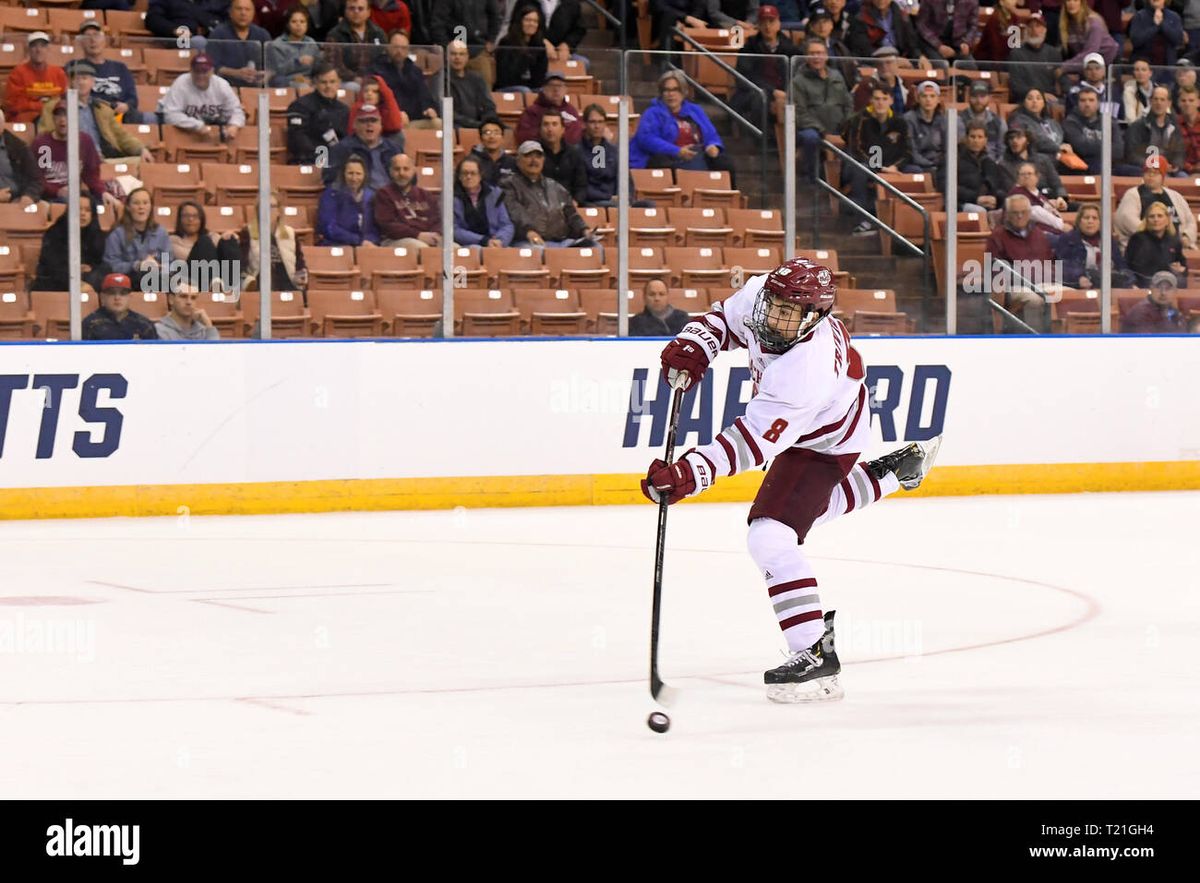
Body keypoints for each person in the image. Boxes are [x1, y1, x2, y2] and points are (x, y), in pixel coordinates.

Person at [640, 256, 942, 703]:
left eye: (786, 311)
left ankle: (814, 654)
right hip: (821, 418)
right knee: (798, 513)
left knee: (772, 537)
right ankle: (890, 473)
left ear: (814, 318)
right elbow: (725, 319)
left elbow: (749, 444)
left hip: (826, 442)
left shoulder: (806, 370)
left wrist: (688, 473)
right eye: (772, 303)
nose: (772, 315)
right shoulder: (767, 294)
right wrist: (696, 344)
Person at [629, 69, 735, 184]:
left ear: (684, 92)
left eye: (676, 89)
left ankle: (730, 198)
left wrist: (712, 145)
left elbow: (711, 133)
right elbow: (646, 139)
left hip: (696, 154)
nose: (671, 94)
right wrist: (677, 151)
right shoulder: (652, 113)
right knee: (663, 161)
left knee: (725, 162)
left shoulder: (695, 110)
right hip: (669, 156)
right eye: (666, 90)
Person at [38, 62, 154, 164]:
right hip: (73, 162)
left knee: (143, 161)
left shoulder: (102, 108)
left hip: (105, 159)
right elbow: (45, 137)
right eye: (77, 79)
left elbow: (121, 135)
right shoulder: (53, 107)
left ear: (93, 83)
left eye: (84, 78)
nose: (81, 83)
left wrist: (140, 149)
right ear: (69, 82)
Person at [841, 80, 910, 236]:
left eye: (884, 99)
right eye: (877, 99)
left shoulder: (900, 122)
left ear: (891, 100)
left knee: (917, 172)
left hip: (892, 166)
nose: (880, 103)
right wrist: (879, 167)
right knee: (862, 170)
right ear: (871, 100)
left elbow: (907, 151)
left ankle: (906, 224)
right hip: (861, 163)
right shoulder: (859, 119)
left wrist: (895, 167)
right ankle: (863, 221)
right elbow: (856, 148)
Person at [502, 140, 596, 247]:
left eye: (538, 156)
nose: (534, 160)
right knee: (536, 251)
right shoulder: (508, 185)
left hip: (561, 241)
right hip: (527, 241)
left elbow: (571, 214)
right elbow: (515, 212)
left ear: (543, 160)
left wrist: (585, 230)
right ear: (518, 160)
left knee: (595, 246)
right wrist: (529, 231)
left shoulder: (555, 186)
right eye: (528, 156)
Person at [30, 99, 117, 211]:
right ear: (53, 119)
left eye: (66, 116)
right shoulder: (43, 144)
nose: (62, 120)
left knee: (102, 206)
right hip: (49, 197)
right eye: (58, 116)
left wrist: (103, 193)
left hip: (77, 196)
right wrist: (56, 191)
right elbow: (36, 178)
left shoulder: (84, 141)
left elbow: (91, 175)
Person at [984, 194, 1054, 329]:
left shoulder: (1038, 233)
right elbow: (994, 269)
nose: (1020, 216)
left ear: (1029, 213)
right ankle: (1034, 341)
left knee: (1068, 295)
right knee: (1035, 300)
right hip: (1015, 285)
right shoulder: (997, 236)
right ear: (1007, 214)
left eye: (1023, 212)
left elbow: (1049, 260)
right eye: (1015, 213)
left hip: (1044, 283)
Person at [219, 194, 309, 292]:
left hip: (286, 280)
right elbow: (242, 260)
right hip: (260, 278)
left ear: (279, 211)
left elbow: (299, 261)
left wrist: (301, 276)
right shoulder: (249, 232)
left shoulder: (290, 233)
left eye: (271, 207)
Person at [792, 38, 853, 182]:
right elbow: (799, 112)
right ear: (806, 57)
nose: (816, 57)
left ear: (826, 55)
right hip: (811, 129)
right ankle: (812, 178)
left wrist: (848, 124)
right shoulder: (798, 81)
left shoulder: (837, 76)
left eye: (819, 53)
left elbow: (848, 103)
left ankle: (847, 180)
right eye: (812, 53)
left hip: (839, 127)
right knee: (810, 138)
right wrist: (823, 133)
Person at [731, 6, 798, 124]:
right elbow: (745, 77)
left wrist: (785, 92)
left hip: (785, 93)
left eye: (771, 22)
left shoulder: (791, 48)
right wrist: (772, 91)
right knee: (760, 99)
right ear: (758, 25)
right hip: (755, 92)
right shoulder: (749, 47)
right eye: (763, 22)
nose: (767, 26)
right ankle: (762, 140)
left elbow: (797, 75)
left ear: (778, 24)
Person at [1115, 154, 1196, 249]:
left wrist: (1186, 237)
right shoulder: (1133, 195)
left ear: (1163, 176)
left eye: (1155, 172)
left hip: (1177, 247)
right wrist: (1158, 238)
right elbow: (1128, 220)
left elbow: (1190, 221)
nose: (1151, 175)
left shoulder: (1176, 196)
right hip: (1144, 248)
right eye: (1148, 172)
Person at [160, 54, 246, 144]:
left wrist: (234, 126)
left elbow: (236, 111)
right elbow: (170, 115)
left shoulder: (222, 86)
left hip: (211, 123)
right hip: (186, 128)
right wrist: (197, 125)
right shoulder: (181, 84)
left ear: (212, 71)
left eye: (204, 72)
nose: (200, 76)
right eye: (197, 71)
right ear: (191, 71)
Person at [31, 198, 109, 293]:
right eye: (78, 209)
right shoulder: (54, 233)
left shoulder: (97, 235)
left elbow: (101, 264)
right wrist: (74, 271)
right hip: (56, 283)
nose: (82, 214)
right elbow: (51, 265)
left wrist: (90, 269)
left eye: (88, 210)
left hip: (88, 283)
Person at [1054, 202, 1134, 290]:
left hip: (1109, 283)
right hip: (1081, 285)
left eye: (1095, 218)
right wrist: (1078, 278)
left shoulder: (1108, 240)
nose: (1090, 221)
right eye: (1086, 218)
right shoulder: (1068, 239)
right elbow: (1063, 266)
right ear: (1079, 221)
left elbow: (1121, 265)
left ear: (1100, 222)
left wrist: (1129, 281)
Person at [77, 20, 144, 123]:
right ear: (81, 42)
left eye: (96, 35)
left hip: (119, 116)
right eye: (87, 37)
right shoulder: (75, 67)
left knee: (149, 117)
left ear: (104, 40)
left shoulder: (120, 68)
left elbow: (132, 98)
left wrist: (126, 106)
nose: (92, 40)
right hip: (92, 115)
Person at [323, 104, 403, 189]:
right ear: (355, 125)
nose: (369, 124)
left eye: (373, 120)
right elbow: (330, 180)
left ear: (381, 126)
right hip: (357, 198)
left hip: (389, 198)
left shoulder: (394, 149)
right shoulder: (341, 149)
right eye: (363, 121)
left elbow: (410, 178)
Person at [104, 188, 171, 289]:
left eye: (145, 203)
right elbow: (111, 265)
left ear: (151, 207)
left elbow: (169, 262)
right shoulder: (117, 234)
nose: (141, 207)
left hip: (157, 278)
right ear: (128, 207)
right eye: (136, 203)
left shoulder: (161, 233)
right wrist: (137, 265)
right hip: (129, 280)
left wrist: (159, 266)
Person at [373, 30, 440, 129]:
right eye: (396, 47)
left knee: (438, 123)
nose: (399, 51)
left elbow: (425, 95)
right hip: (389, 121)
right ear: (388, 47)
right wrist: (395, 113)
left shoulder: (414, 71)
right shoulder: (377, 69)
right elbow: (378, 100)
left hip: (413, 120)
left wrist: (429, 108)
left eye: (403, 48)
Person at [374, 153, 442, 248]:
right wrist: (418, 235)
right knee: (422, 249)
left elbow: (437, 220)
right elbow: (388, 226)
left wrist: (435, 234)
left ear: (413, 171)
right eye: (397, 169)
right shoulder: (384, 194)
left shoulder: (426, 195)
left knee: (454, 249)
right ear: (390, 171)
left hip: (426, 237)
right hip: (395, 239)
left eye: (406, 169)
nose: (401, 173)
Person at [286, 63, 350, 164]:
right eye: (323, 82)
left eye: (332, 82)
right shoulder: (300, 105)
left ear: (339, 83)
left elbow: (346, 140)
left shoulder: (344, 109)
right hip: (310, 161)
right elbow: (298, 140)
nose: (328, 86)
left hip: (338, 162)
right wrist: (324, 157)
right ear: (315, 83)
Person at [431, 0, 502, 89]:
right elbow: (437, 23)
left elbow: (496, 17)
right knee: (450, 91)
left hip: (479, 51)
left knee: (484, 91)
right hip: (452, 54)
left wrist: (491, 40)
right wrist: (446, 46)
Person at [3, 32, 67, 124]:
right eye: (34, 46)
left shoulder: (58, 73)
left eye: (42, 46)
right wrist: (40, 106)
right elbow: (13, 105)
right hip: (28, 119)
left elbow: (65, 100)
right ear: (28, 49)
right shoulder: (18, 73)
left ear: (48, 49)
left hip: (54, 118)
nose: (38, 50)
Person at [317, 154, 381, 246]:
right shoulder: (332, 194)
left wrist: (369, 241)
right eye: (350, 173)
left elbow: (375, 229)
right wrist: (358, 241)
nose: (354, 178)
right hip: (337, 244)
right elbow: (328, 227)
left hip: (366, 246)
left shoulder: (371, 196)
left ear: (365, 175)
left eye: (358, 174)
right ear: (343, 174)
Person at [207, 0, 271, 88]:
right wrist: (236, 73)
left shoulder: (263, 34)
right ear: (230, 12)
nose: (243, 13)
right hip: (226, 86)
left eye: (247, 9)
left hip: (256, 86)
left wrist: (266, 74)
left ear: (253, 13)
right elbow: (212, 66)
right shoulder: (218, 34)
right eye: (239, 9)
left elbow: (272, 66)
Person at [452, 155, 514, 247]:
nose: (468, 177)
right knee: (475, 249)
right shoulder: (451, 197)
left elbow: (506, 224)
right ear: (459, 176)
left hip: (494, 241)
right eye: (464, 173)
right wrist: (483, 240)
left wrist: (499, 240)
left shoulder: (495, 194)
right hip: (468, 243)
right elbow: (454, 230)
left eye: (473, 173)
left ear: (480, 175)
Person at [1063, 86, 1125, 175]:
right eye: (1083, 100)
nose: (1087, 104)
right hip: (1083, 165)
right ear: (1078, 103)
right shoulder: (1070, 122)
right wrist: (1107, 145)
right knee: (1099, 168)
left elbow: (1119, 151)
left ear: (1098, 103)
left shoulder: (1109, 121)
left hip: (1110, 163)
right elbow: (1082, 148)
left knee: (1136, 172)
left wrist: (1093, 146)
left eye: (1091, 100)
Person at [1124, 201, 1188, 287]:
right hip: (1144, 283)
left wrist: (1181, 269)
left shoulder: (1174, 240)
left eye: (1160, 216)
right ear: (1147, 220)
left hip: (1168, 283)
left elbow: (1183, 265)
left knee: (1181, 280)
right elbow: (1130, 266)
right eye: (1152, 216)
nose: (1156, 219)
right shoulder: (1137, 239)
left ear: (1167, 220)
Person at [1124, 85, 1186, 173]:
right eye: (1155, 99)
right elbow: (1132, 155)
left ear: (1169, 103)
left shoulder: (1174, 127)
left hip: (1168, 170)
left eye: (1162, 99)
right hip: (1146, 170)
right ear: (1150, 101)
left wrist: (1176, 165)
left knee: (1183, 177)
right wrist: (1154, 165)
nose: (1159, 103)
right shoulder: (1137, 126)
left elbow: (1180, 152)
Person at [327, 0, 389, 85]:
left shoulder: (378, 33)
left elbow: (384, 61)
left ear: (368, 12)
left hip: (374, 80)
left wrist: (372, 79)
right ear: (345, 11)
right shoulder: (335, 34)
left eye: (360, 9)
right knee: (354, 86)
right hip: (347, 81)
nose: (356, 12)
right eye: (352, 8)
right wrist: (355, 78)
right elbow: (335, 65)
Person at [82, 273, 159, 340]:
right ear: (102, 297)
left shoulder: (144, 324)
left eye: (123, 293)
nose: (117, 298)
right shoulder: (90, 324)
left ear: (130, 297)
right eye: (111, 293)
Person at [1007, 13, 1063, 105]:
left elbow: (1062, 79)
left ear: (1045, 30)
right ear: (1026, 30)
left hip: (1050, 102)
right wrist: (1040, 96)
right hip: (1025, 101)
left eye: (1038, 26)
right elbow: (1016, 86)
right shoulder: (1016, 54)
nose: (1034, 30)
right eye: (1030, 27)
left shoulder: (1054, 53)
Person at [1008, 89, 1072, 165]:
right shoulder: (1018, 120)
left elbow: (1061, 138)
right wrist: (1057, 147)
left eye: (1038, 98)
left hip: (1059, 158)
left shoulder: (1051, 122)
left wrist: (1066, 146)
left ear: (1043, 103)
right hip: (1035, 160)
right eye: (1030, 98)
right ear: (1024, 103)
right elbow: (1034, 140)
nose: (1034, 101)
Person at [847, 0, 925, 62]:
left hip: (901, 58)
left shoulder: (902, 15)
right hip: (875, 61)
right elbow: (864, 50)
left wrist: (919, 57)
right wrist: (892, 61)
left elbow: (911, 43)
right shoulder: (861, 18)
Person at [495, 2, 549, 93]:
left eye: (535, 21)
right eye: (528, 20)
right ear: (520, 22)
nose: (532, 24)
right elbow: (505, 76)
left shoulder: (539, 45)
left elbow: (541, 75)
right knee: (525, 91)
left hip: (531, 87)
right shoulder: (507, 42)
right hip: (509, 87)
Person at [516, 74, 584, 145]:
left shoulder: (571, 110)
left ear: (566, 89)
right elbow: (525, 136)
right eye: (552, 86)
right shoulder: (532, 111)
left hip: (572, 153)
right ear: (544, 89)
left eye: (560, 86)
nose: (556, 90)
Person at [902, 80, 946, 189]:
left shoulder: (944, 120)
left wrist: (940, 164)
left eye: (932, 96)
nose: (928, 100)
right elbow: (911, 151)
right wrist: (931, 165)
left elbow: (947, 149)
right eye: (924, 96)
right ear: (918, 98)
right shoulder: (908, 119)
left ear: (938, 99)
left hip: (938, 164)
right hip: (918, 164)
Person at [538, 110, 588, 206]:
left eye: (554, 124)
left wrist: (576, 201)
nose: (550, 129)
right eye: (546, 124)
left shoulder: (575, 153)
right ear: (540, 129)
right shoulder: (534, 153)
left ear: (563, 129)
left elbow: (581, 185)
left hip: (570, 206)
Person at [955, 123, 1004, 214]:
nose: (976, 140)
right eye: (972, 137)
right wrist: (976, 198)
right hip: (962, 204)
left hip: (987, 203)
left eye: (980, 137)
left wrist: (994, 198)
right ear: (966, 138)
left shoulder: (989, 163)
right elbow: (949, 187)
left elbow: (997, 186)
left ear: (985, 140)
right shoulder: (954, 160)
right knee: (980, 211)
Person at [267, 5, 321, 87]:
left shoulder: (311, 43)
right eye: (294, 21)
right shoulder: (277, 44)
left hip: (309, 81)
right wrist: (297, 62)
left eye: (302, 21)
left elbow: (318, 69)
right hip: (286, 82)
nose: (298, 25)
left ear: (307, 24)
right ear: (288, 25)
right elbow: (276, 72)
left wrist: (313, 80)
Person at [448, 40, 497, 130]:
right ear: (446, 56)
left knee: (507, 131)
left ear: (467, 57)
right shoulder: (441, 79)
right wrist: (478, 125)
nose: (457, 57)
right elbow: (448, 113)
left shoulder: (477, 78)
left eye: (461, 54)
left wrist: (488, 122)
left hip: (480, 124)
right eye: (453, 54)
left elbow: (489, 105)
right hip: (456, 125)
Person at [1059, 0, 1119, 73]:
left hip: (1108, 60)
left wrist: (1064, 67)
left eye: (1075, 0)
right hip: (1086, 63)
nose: (1071, 3)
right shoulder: (1066, 24)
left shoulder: (1094, 23)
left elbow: (1090, 53)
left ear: (1082, 3)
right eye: (1068, 0)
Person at [1007, 162, 1067, 234]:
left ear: (1037, 176)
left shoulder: (1036, 193)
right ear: (1018, 178)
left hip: (1051, 230)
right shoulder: (1017, 192)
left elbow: (1047, 209)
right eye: (1023, 174)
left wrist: (1054, 204)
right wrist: (1061, 225)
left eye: (1029, 174)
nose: (1026, 176)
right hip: (1033, 232)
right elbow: (1036, 213)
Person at [0, 109, 44, 207]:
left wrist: (29, 196)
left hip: (17, 201)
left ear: (2, 127)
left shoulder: (18, 147)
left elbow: (36, 180)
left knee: (43, 208)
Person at [914, 0, 978, 65]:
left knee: (970, 67)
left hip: (959, 43)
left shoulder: (971, 1)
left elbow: (973, 26)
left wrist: (967, 42)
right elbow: (921, 24)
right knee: (941, 66)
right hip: (933, 42)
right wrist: (938, 45)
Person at [1122, 270, 1187, 333]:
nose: (1163, 293)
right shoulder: (1140, 313)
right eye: (1158, 288)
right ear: (1151, 289)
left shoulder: (1174, 313)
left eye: (1168, 288)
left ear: (1175, 292)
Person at [957, 80, 1007, 162]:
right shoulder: (959, 120)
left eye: (982, 96)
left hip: (993, 166)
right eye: (974, 96)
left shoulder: (999, 122)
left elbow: (1002, 152)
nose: (978, 100)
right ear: (968, 97)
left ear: (989, 98)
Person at [1130, 0, 1186, 69]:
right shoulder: (1139, 16)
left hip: (1168, 65)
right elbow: (1136, 41)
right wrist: (1155, 27)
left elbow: (1178, 40)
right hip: (1144, 66)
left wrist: (1162, 24)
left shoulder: (1174, 17)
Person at [852, 46, 909, 112]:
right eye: (880, 63)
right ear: (876, 66)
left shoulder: (904, 84)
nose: (884, 66)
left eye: (888, 62)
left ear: (896, 64)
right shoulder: (867, 85)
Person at [352, 76, 407, 143]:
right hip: (360, 144)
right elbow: (351, 133)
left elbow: (395, 125)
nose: (369, 94)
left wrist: (388, 97)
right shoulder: (356, 109)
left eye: (375, 91)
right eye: (366, 91)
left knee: (398, 136)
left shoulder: (385, 108)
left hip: (384, 142)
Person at [155, 287, 221, 340]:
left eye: (193, 298)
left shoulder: (205, 331)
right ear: (171, 299)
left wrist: (209, 326)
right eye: (183, 296)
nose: (189, 302)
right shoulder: (158, 331)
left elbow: (216, 355)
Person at [145, 0, 228, 41]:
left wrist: (211, 27)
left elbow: (227, 19)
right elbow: (153, 19)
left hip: (213, 40)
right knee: (198, 41)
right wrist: (174, 30)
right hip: (177, 41)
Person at [471, 116, 519, 185]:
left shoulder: (512, 163)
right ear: (480, 138)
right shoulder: (471, 162)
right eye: (487, 133)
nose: (492, 137)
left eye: (496, 133)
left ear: (503, 137)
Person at [1123, 59, 1156, 123]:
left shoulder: (1158, 90)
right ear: (1134, 73)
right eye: (1137, 70)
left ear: (1150, 73)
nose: (1140, 73)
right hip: (1138, 129)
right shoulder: (1129, 91)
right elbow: (1130, 118)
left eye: (1144, 70)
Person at [1177, 86, 1200, 174]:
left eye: (1191, 100)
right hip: (1183, 171)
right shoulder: (1173, 125)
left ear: (1198, 102)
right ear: (1178, 103)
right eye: (1183, 101)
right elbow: (1173, 155)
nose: (1187, 104)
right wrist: (1192, 169)